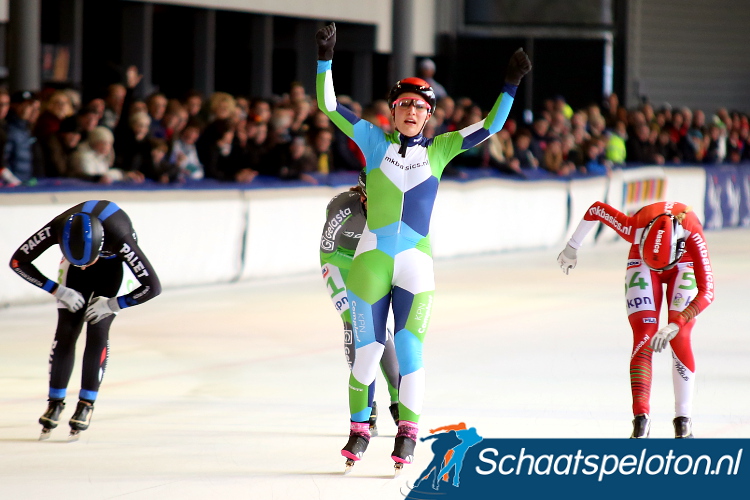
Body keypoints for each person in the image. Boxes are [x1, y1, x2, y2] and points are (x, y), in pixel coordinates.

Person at [315, 22, 531, 468]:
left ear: (428, 115)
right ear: (392, 112)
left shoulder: (442, 148)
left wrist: (510, 84)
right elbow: (329, 105)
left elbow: (491, 126)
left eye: (420, 106)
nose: (412, 111)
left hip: (415, 264)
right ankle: (359, 429)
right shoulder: (372, 140)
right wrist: (325, 59)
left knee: (409, 351)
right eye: (404, 104)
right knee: (367, 351)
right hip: (371, 261)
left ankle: (408, 433)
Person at [557, 201, 715, 439]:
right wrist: (572, 247)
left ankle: (683, 419)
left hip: (684, 264)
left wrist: (677, 322)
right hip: (642, 259)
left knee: (680, 336)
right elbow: (596, 209)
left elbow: (708, 292)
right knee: (644, 335)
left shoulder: (693, 233)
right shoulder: (634, 227)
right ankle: (641, 419)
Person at [9, 200, 162, 439]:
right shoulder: (59, 227)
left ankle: (86, 404)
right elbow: (18, 261)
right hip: (79, 261)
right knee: (67, 329)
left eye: (86, 262)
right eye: (77, 263)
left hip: (112, 267)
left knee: (98, 327)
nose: (82, 268)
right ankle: (55, 402)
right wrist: (57, 290)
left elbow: (153, 286)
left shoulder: (120, 238)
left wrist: (113, 304)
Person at [319, 171, 400, 445]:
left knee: (378, 327)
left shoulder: (394, 207)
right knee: (355, 323)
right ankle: (366, 405)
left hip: (369, 264)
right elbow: (327, 251)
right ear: (363, 197)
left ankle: (399, 397)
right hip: (339, 263)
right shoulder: (343, 207)